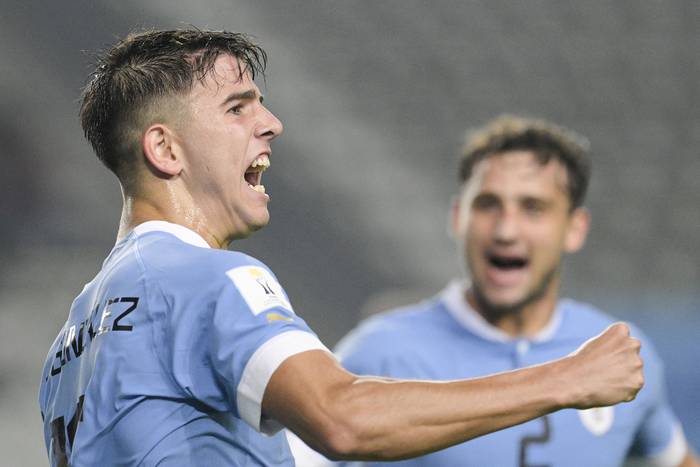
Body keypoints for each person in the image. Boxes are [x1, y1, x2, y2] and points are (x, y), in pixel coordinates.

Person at [39, 30, 645, 467]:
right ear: (165, 151)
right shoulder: (205, 279)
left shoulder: (70, 346)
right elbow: (343, 418)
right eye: (237, 108)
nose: (271, 123)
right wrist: (567, 379)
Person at [296, 115, 698, 467]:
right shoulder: (378, 353)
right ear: (458, 218)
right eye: (488, 205)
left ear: (575, 228)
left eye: (532, 208)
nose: (506, 231)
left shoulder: (616, 354)